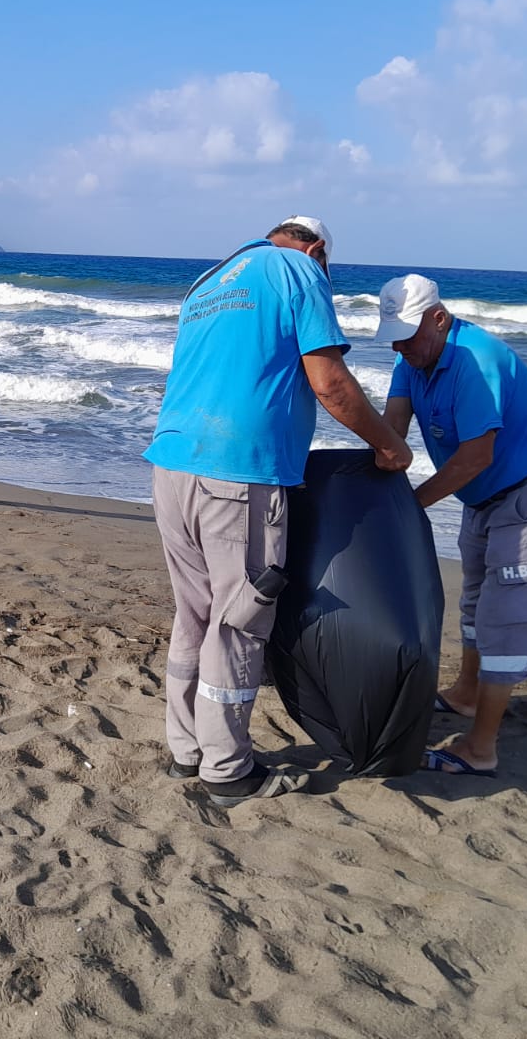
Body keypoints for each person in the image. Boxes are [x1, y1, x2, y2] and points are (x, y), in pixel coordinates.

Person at [144, 217, 413, 807]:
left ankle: (185, 749)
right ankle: (228, 770)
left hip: (172, 464)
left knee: (194, 614)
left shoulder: (210, 281)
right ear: (317, 250)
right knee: (239, 621)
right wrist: (389, 446)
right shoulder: (298, 269)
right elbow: (330, 383)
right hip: (240, 474)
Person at [376, 273, 527, 778]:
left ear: (439, 319)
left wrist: (409, 505)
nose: (400, 346)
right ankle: (467, 694)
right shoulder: (412, 357)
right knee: (473, 602)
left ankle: (481, 747)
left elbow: (475, 455)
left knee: (506, 615)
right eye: (393, 336)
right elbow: (393, 429)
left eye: (408, 333)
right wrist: (369, 484)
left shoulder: (475, 360)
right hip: (481, 501)